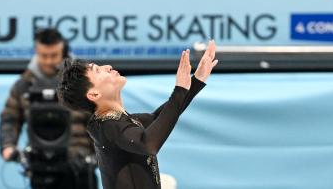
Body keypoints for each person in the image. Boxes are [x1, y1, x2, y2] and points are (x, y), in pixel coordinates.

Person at [57, 41, 219, 189]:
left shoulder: (118, 122)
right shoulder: (107, 126)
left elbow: (158, 118)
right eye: (98, 70)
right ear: (94, 94)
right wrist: (179, 90)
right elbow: (148, 144)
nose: (107, 66)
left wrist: (196, 81)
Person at [0, 28, 97, 189]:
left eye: (54, 55)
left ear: (63, 51)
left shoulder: (83, 81)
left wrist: (99, 154)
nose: (49, 61)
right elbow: (10, 118)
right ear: (36, 52)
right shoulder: (24, 85)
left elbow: (99, 115)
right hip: (40, 165)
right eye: (44, 56)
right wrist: (8, 146)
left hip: (80, 166)